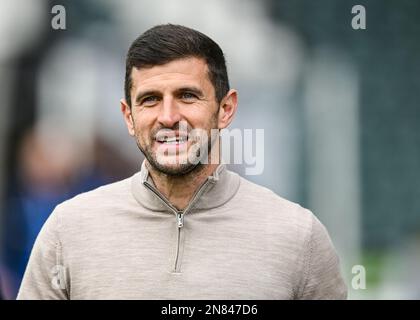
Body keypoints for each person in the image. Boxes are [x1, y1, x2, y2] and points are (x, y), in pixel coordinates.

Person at [17, 24, 347, 299]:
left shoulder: (298, 235)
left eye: (187, 95)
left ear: (226, 108)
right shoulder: (68, 230)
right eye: (150, 100)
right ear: (128, 117)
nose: (169, 117)